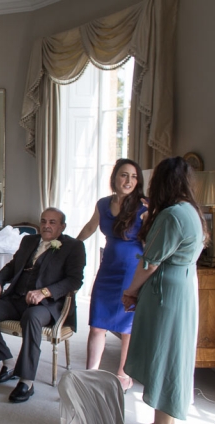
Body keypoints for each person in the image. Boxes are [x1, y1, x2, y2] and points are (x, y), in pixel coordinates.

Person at [121, 156, 206, 424]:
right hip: (179, 288)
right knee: (170, 353)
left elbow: (150, 261)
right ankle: (163, 422)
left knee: (166, 356)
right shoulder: (190, 211)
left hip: (165, 294)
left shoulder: (172, 216)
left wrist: (131, 291)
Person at [0, 208, 85, 403]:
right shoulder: (29, 241)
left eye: (52, 222)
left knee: (31, 318)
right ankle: (8, 364)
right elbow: (11, 266)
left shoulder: (74, 247)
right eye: (43, 221)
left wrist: (44, 292)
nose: (46, 226)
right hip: (16, 298)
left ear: (62, 226)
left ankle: (27, 381)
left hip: (47, 306)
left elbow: (74, 280)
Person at [76, 159, 147, 391]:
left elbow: (150, 240)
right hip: (108, 269)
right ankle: (90, 374)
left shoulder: (144, 206)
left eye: (134, 177)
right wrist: (72, 245)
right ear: (114, 178)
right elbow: (90, 227)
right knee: (97, 323)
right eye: (124, 175)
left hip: (132, 269)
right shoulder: (103, 203)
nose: (129, 181)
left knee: (127, 326)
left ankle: (123, 375)